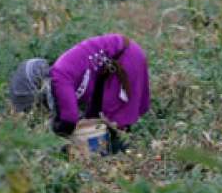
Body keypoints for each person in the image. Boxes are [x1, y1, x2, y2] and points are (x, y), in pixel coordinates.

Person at [8, 33, 151, 148]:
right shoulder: (62, 74)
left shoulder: (60, 77)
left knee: (117, 124)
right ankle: (121, 149)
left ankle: (125, 152)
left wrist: (57, 138)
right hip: (119, 60)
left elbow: (69, 119)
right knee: (97, 121)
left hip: (125, 57)